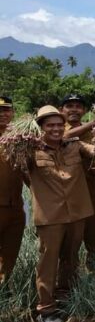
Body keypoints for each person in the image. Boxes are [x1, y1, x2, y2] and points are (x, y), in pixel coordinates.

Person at [28, 105, 95, 322]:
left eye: (59, 124)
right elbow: (20, 171)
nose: (56, 129)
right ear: (41, 128)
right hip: (50, 215)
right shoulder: (30, 149)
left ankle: (65, 295)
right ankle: (45, 307)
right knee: (48, 259)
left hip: (77, 211)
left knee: (71, 256)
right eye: (50, 125)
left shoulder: (75, 146)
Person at [61, 93, 95, 267]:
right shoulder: (57, 128)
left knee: (92, 230)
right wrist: (93, 123)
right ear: (62, 110)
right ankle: (70, 274)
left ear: (84, 110)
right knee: (72, 236)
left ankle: (94, 267)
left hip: (91, 186)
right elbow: (66, 137)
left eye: (78, 106)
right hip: (68, 191)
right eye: (70, 106)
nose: (74, 110)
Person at [0, 96, 25, 284]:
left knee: (9, 254)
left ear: (12, 113)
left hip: (16, 207)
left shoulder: (20, 138)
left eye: (6, 110)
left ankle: (4, 291)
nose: (3, 114)